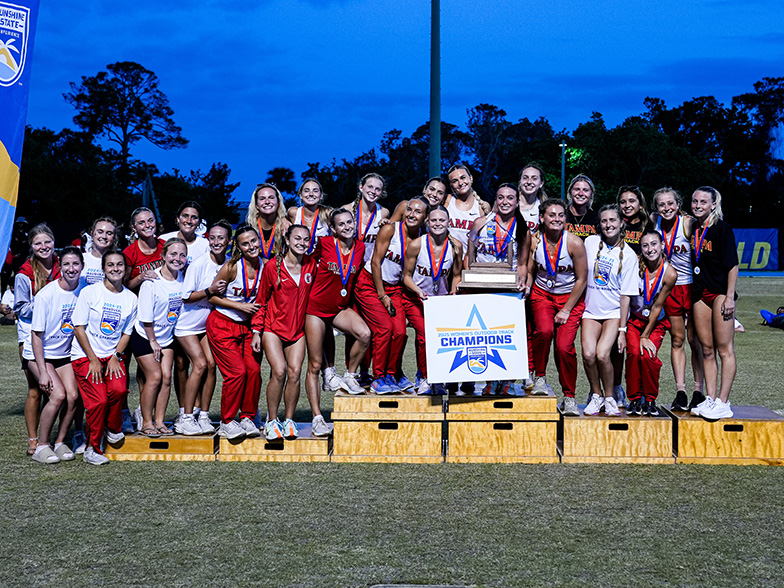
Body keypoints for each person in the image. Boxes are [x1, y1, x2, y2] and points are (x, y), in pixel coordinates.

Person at [304, 209, 371, 434]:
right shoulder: (324, 244)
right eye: (340, 224)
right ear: (333, 228)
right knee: (314, 365)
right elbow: (304, 261)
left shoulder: (360, 248)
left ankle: (350, 375)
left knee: (364, 334)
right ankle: (316, 417)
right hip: (315, 309)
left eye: (349, 222)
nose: (346, 227)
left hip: (339, 308)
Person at [356, 197, 429, 394]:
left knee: (400, 332)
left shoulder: (423, 238)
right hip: (370, 283)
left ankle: (392, 373)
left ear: (426, 217)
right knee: (385, 328)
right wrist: (382, 295)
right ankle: (378, 377)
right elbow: (375, 262)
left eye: (418, 212)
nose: (412, 214)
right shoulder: (391, 229)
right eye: (409, 210)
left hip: (395, 288)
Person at [71, 249, 138, 465]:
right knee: (98, 401)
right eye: (110, 265)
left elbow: (127, 333)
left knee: (118, 390)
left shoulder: (130, 298)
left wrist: (116, 356)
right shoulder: (90, 293)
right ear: (103, 270)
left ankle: (112, 427)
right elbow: (79, 328)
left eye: (119, 265)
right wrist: (92, 359)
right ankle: (93, 448)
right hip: (85, 356)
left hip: (112, 356)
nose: (115, 269)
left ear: (126, 269)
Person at [251, 225, 317, 440]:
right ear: (287, 240)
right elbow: (261, 301)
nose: (302, 243)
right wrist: (256, 332)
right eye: (297, 238)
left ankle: (289, 420)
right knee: (278, 371)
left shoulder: (311, 265)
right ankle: (272, 420)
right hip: (273, 328)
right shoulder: (272, 267)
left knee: (295, 372)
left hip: (297, 330)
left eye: (306, 239)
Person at [467, 183, 531, 395]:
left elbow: (522, 263)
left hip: (508, 287)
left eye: (510, 198)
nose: (505, 202)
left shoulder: (522, 228)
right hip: (483, 285)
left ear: (516, 202)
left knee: (507, 335)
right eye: (501, 197)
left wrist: (522, 283)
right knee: (485, 334)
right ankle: (489, 380)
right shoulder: (480, 223)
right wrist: (469, 279)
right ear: (495, 199)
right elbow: (470, 254)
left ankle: (508, 380)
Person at [526, 199, 587, 416]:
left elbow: (581, 280)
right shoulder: (534, 240)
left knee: (564, 347)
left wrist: (566, 309)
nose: (557, 219)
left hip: (569, 298)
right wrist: (526, 285)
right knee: (543, 331)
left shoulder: (574, 243)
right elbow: (531, 269)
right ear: (542, 217)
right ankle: (539, 376)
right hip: (542, 294)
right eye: (552, 215)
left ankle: (569, 397)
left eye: (561, 215)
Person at [26, 246, 85, 464]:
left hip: (64, 354)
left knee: (73, 396)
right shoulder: (46, 295)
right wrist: (42, 371)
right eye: (67, 264)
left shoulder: (85, 290)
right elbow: (36, 335)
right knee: (58, 395)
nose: (71, 269)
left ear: (82, 266)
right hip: (39, 354)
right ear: (60, 266)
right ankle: (42, 446)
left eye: (76, 264)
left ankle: (60, 442)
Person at [173, 220, 232, 435]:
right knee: (198, 365)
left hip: (206, 324)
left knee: (211, 365)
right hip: (187, 325)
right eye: (212, 238)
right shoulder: (198, 264)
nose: (216, 242)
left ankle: (204, 416)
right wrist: (210, 291)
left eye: (221, 238)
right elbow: (186, 297)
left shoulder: (229, 262)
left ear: (228, 241)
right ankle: (185, 417)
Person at [650, 187, 705, 411]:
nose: (666, 208)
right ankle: (681, 391)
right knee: (677, 340)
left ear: (678, 204)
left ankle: (698, 391)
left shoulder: (688, 223)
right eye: (661, 204)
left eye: (670, 203)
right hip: (669, 287)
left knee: (696, 340)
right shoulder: (654, 221)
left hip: (691, 287)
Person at [206, 226, 263, 439]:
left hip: (248, 327)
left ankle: (247, 417)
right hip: (223, 323)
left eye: (254, 241)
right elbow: (212, 297)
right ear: (238, 247)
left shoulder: (264, 267)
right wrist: (240, 307)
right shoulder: (231, 267)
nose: (251, 246)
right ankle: (227, 421)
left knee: (254, 371)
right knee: (236, 372)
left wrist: (257, 330)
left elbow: (262, 301)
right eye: (245, 243)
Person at [581, 205, 638, 416]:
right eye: (604, 221)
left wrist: (622, 330)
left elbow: (626, 296)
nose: (608, 225)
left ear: (621, 222)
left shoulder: (630, 256)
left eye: (613, 220)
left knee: (603, 354)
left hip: (614, 313)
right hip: (591, 311)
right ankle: (596, 396)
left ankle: (610, 398)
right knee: (588, 355)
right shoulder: (590, 242)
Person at [688, 187, 739, 420]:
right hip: (700, 294)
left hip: (719, 294)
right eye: (695, 201)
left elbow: (732, 266)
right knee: (706, 350)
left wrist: (729, 297)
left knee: (724, 349)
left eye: (703, 202)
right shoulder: (694, 228)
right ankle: (710, 398)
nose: (698, 205)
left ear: (713, 205)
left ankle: (723, 401)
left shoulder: (722, 229)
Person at [402, 205, 464, 395]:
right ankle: (423, 377)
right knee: (424, 337)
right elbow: (406, 276)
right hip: (416, 298)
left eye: (442, 220)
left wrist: (454, 290)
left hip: (441, 301)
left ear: (449, 223)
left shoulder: (456, 246)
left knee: (441, 340)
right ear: (427, 222)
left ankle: (437, 378)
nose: (438, 224)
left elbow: (456, 274)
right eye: (434, 220)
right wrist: (418, 291)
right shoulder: (416, 245)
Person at [131, 238, 186, 437]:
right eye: (173, 254)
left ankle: (160, 421)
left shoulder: (183, 279)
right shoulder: (152, 282)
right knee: (154, 378)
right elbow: (146, 317)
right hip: (145, 335)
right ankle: (145, 421)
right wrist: (153, 341)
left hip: (167, 337)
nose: (177, 258)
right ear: (163, 256)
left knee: (166, 379)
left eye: (182, 255)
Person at [14, 223, 61, 456]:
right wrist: (48, 304)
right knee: (35, 389)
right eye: (38, 243)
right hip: (31, 336)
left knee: (52, 390)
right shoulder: (24, 273)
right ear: (31, 247)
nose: (44, 247)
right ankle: (34, 440)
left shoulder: (63, 265)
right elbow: (21, 308)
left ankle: (50, 437)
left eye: (47, 241)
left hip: (58, 337)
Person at [625, 230, 677, 416]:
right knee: (632, 353)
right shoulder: (635, 265)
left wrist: (645, 335)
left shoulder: (669, 273)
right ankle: (634, 399)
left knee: (648, 356)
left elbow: (657, 307)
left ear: (662, 245)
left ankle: (650, 399)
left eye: (654, 244)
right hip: (634, 320)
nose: (650, 249)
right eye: (645, 245)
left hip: (656, 322)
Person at [444, 165, 491, 252]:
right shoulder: (447, 201)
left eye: (463, 178)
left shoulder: (482, 206)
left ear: (471, 178)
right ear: (451, 185)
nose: (460, 183)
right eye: (455, 181)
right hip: (448, 261)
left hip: (471, 261)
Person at [159, 201, 210, 272]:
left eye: (194, 217)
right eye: (185, 216)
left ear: (199, 222)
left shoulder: (205, 245)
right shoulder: (163, 240)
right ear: (178, 218)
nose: (189, 221)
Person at [123, 207, 165, 293]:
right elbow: (124, 286)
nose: (147, 225)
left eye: (150, 220)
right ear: (134, 228)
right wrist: (141, 277)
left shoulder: (165, 245)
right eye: (141, 223)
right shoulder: (129, 253)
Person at [286, 178, 332, 254]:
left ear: (321, 195)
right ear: (301, 195)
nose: (311, 194)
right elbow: (280, 220)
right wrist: (283, 220)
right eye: (306, 190)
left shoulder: (327, 214)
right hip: (299, 262)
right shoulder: (293, 213)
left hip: (321, 263)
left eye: (315, 191)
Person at [248, 183, 289, 265]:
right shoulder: (247, 228)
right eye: (262, 198)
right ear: (256, 205)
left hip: (279, 275)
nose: (267, 202)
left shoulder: (286, 227)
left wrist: (284, 218)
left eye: (271, 197)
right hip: (253, 274)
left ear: (278, 203)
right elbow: (237, 258)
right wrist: (261, 261)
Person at [81, 216, 118, 285]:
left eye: (109, 233)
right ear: (92, 234)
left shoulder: (118, 263)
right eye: (100, 232)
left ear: (114, 238)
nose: (104, 236)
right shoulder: (81, 259)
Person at [564, 174, 599, 239]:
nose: (580, 193)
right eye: (577, 189)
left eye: (585, 190)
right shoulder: (561, 215)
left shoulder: (597, 218)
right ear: (570, 192)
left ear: (591, 194)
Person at [617, 186, 649, 254]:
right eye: (623, 202)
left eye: (632, 201)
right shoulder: (615, 225)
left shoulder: (648, 225)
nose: (627, 205)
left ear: (640, 205)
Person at [518, 163, 548, 233]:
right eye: (525, 178)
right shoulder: (509, 203)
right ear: (520, 181)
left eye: (534, 178)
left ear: (541, 183)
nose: (529, 182)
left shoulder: (544, 207)